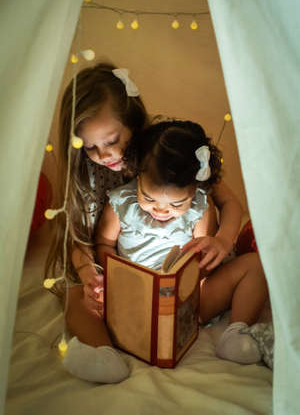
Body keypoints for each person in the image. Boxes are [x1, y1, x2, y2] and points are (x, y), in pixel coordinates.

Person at [96, 120, 268, 366]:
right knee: (92, 301)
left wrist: (213, 250)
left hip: (190, 299)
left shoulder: (201, 207)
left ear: (195, 190)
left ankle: (236, 332)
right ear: (137, 174)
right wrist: (116, 278)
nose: (161, 210)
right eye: (148, 198)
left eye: (176, 205)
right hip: (135, 297)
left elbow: (203, 262)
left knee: (256, 265)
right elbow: (103, 245)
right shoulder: (121, 205)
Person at [45, 62, 150, 383]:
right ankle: (104, 354)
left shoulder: (158, 154)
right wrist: (89, 272)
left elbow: (215, 192)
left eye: (112, 139)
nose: (104, 154)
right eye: (90, 146)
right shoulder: (84, 175)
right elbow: (78, 240)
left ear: (132, 121)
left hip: (151, 262)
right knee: (78, 296)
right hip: (107, 266)